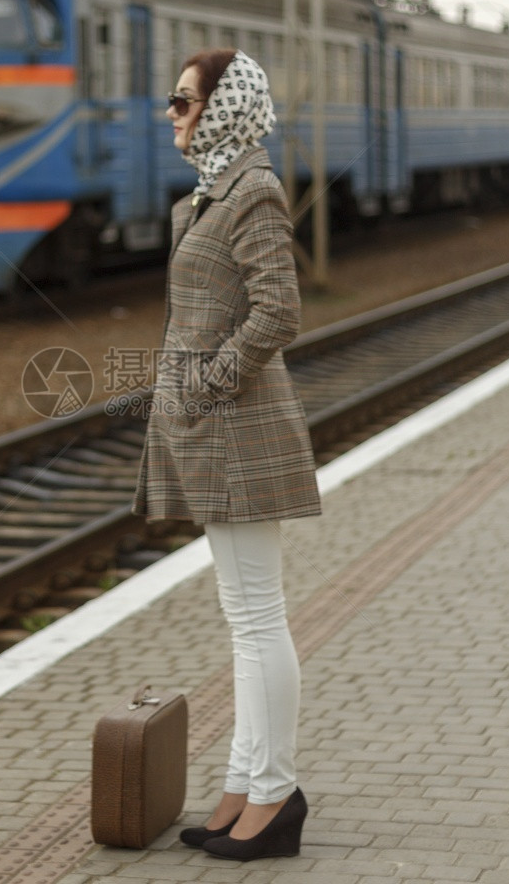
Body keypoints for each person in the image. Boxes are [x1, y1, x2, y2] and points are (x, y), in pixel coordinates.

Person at [132, 48, 321, 862]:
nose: (170, 113)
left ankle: (275, 795)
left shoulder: (254, 190)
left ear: (222, 108)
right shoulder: (212, 192)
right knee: (243, 620)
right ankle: (245, 785)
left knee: (256, 619)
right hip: (212, 430)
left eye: (181, 101)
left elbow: (279, 312)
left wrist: (203, 386)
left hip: (237, 430)